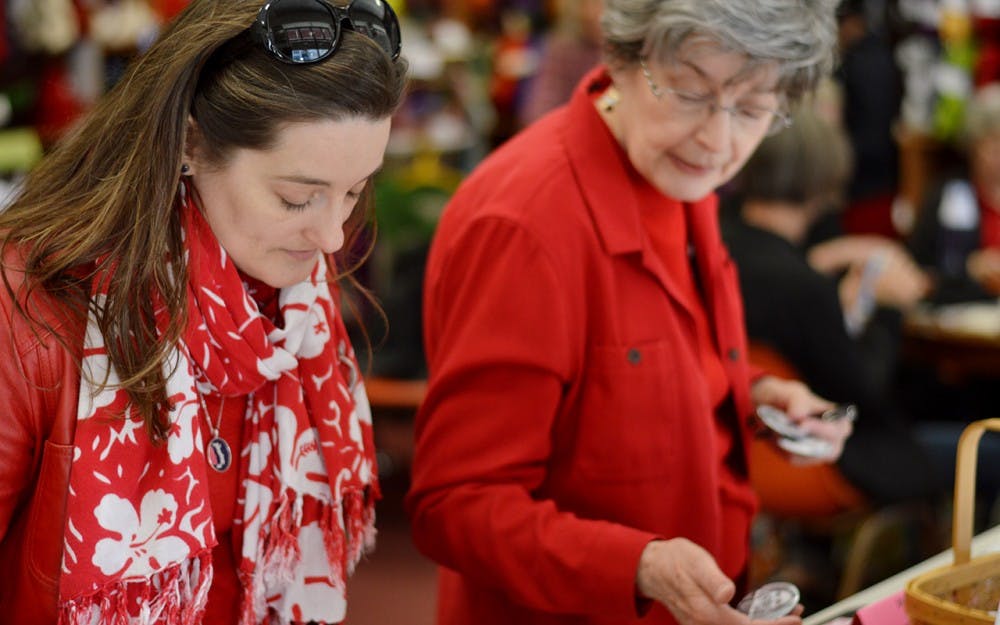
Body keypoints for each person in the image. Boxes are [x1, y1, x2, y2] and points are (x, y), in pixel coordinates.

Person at [406, 2, 851, 624]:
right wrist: (637, 564)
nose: (718, 143)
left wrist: (757, 393)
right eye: (691, 93)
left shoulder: (673, 173)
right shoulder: (526, 226)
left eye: (752, 110)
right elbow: (454, 504)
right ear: (620, 57)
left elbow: (637, 366)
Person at [0, 0, 406, 623]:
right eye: (298, 198)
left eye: (353, 191)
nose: (332, 237)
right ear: (189, 141)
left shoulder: (298, 308)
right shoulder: (29, 309)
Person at [721, 109, 940, 517]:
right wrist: (887, 310)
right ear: (824, 182)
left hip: (740, 459)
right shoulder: (800, 285)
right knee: (983, 452)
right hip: (822, 460)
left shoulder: (720, 250)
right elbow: (862, 394)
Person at [910, 83, 1000, 303]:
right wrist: (968, 267)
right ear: (973, 145)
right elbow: (919, 264)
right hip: (965, 311)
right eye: (993, 143)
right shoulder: (950, 191)